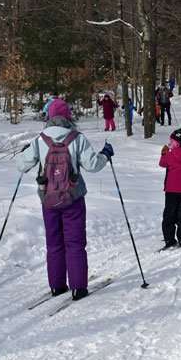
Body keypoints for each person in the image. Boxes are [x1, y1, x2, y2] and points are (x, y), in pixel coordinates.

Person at [16, 99, 114, 300]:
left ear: (50, 117)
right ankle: (78, 287)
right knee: (75, 243)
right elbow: (93, 165)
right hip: (73, 199)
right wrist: (105, 154)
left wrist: (25, 152)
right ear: (67, 116)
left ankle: (57, 286)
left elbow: (21, 165)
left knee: (54, 243)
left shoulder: (40, 140)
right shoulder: (77, 138)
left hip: (48, 199)